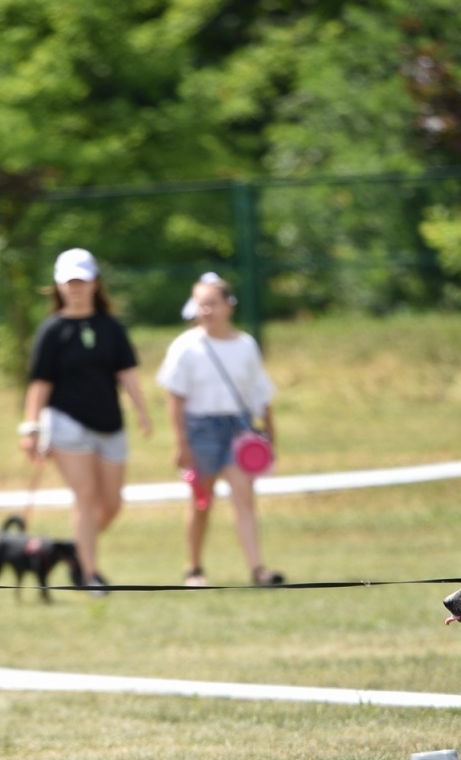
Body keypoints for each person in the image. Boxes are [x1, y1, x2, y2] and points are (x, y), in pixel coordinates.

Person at [18, 248, 152, 594]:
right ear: (59, 286)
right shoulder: (52, 330)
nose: (75, 288)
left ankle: (76, 550)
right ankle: (90, 575)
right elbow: (40, 383)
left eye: (82, 280)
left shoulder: (112, 327)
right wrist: (30, 427)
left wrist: (142, 410)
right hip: (67, 424)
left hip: (110, 423)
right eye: (69, 282)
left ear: (95, 283)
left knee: (112, 504)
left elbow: (126, 372)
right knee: (86, 496)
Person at [157, 273, 283, 587]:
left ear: (229, 305)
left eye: (212, 303)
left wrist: (269, 434)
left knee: (244, 497)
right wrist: (181, 443)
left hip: (238, 429)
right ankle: (194, 568)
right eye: (201, 304)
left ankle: (257, 569)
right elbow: (174, 399)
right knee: (202, 501)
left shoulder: (245, 345)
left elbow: (260, 394)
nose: (206, 310)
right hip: (200, 429)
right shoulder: (186, 346)